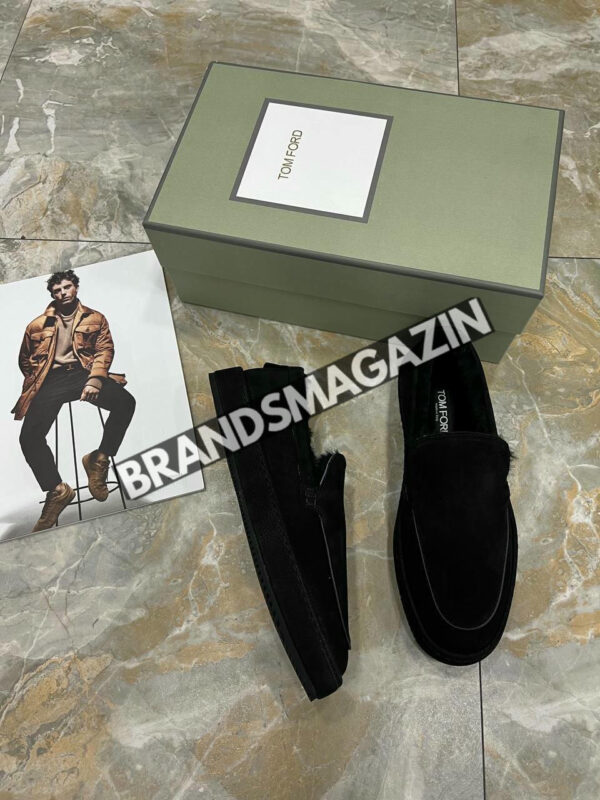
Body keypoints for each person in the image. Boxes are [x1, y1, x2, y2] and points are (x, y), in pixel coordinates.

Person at [12, 269, 136, 532]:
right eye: (57, 290)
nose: (63, 293)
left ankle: (99, 459)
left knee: (126, 402)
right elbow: (25, 359)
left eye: (67, 287)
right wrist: (38, 379)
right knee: (29, 437)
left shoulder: (95, 318)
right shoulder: (36, 325)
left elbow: (104, 350)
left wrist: (95, 380)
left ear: (76, 287)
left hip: (84, 374)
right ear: (52, 294)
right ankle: (57, 490)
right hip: (51, 381)